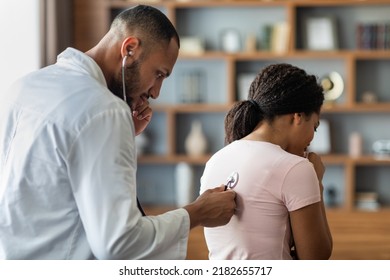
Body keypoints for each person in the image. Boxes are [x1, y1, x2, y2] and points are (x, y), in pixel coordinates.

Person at [0, 5, 236, 260]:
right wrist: (197, 213)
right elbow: (120, 243)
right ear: (130, 48)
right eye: (158, 74)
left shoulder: (24, 87)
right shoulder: (104, 110)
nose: (156, 92)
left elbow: (51, 182)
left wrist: (121, 135)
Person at [200, 63, 333, 260]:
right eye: (314, 127)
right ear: (298, 117)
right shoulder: (297, 168)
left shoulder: (216, 160)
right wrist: (317, 182)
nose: (311, 139)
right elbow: (315, 258)